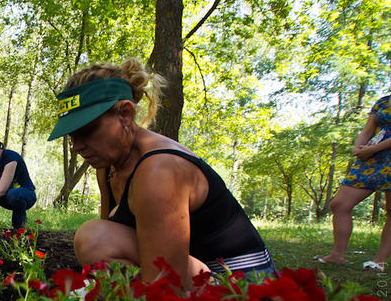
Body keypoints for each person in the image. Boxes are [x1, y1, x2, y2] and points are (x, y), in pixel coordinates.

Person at [48, 57, 273, 287]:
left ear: (126, 114)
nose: (77, 146)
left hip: (243, 285)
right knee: (97, 238)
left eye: (87, 130)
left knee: (94, 239)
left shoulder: (160, 170)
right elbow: (109, 257)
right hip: (190, 277)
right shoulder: (107, 168)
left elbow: (167, 282)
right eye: (71, 135)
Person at [315, 94, 391, 271]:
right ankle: (337, 255)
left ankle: (380, 261)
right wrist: (358, 149)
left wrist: (373, 148)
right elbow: (367, 131)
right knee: (339, 204)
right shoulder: (383, 101)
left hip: (382, 153)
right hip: (370, 159)